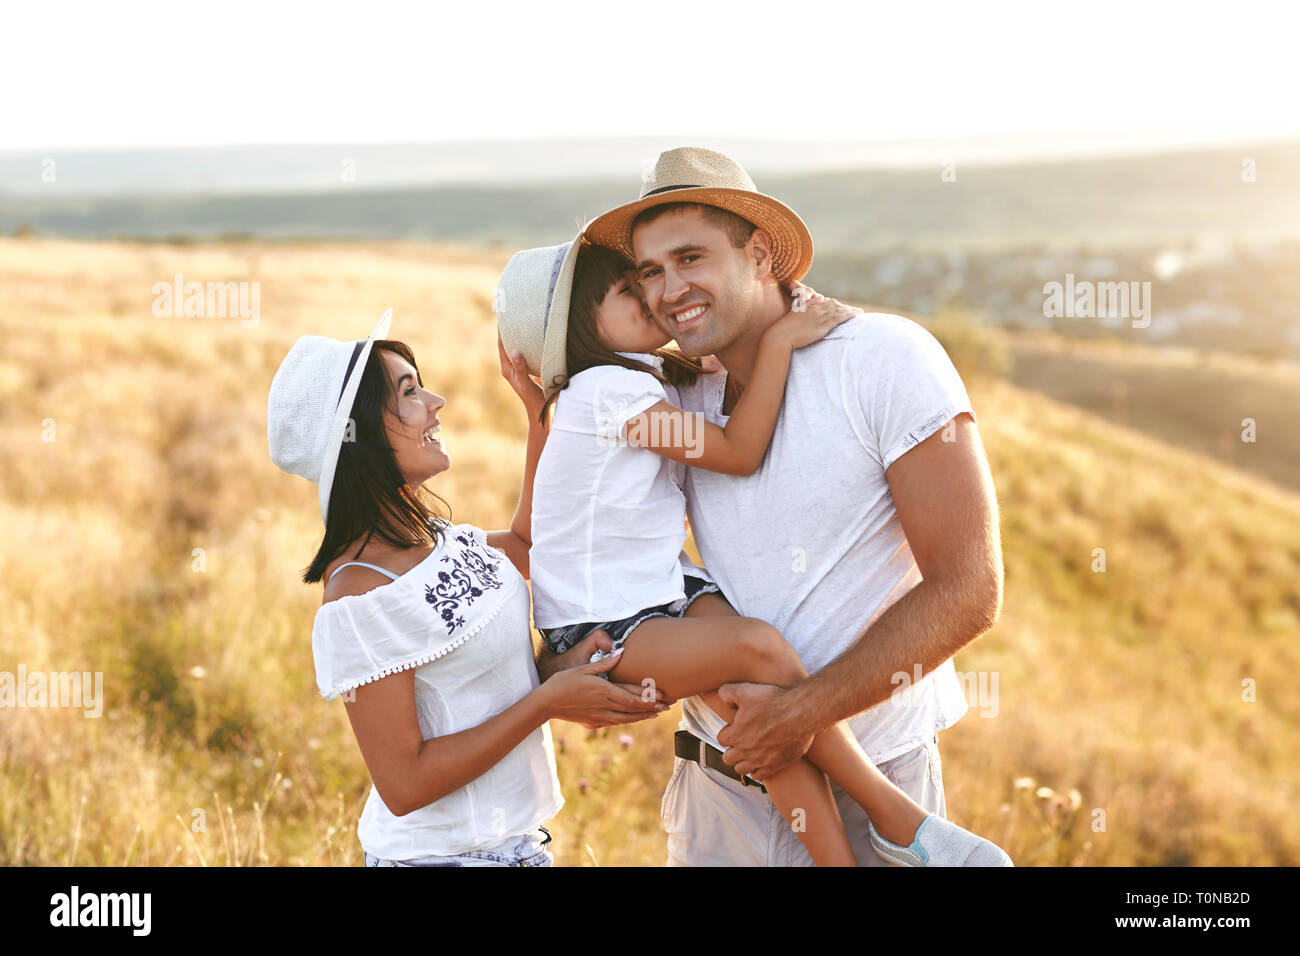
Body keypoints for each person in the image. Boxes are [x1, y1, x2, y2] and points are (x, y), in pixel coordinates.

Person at [542, 145, 1009, 867]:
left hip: (872, 789)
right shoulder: (671, 394)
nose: (668, 290)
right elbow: (584, 522)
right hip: (716, 798)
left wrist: (800, 714)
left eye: (690, 258)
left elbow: (969, 592)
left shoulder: (885, 357)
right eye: (649, 273)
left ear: (759, 253)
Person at [266, 309, 665, 867]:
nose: (436, 402)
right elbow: (404, 784)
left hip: (517, 845)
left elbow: (528, 544)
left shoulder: (435, 538)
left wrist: (536, 413)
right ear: (361, 434)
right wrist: (547, 702)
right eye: (409, 392)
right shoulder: (359, 597)